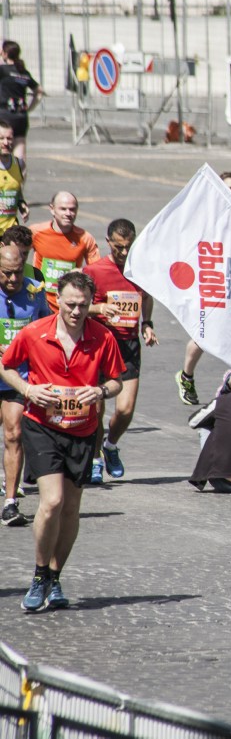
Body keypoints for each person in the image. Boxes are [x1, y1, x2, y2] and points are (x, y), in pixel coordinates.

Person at [1, 271, 124, 612]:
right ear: (58, 299)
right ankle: (40, 573)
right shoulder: (35, 333)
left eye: (83, 305)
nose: (76, 311)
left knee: (71, 507)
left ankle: (55, 577)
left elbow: (116, 381)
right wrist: (27, 389)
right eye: (70, 304)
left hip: (83, 430)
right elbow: (6, 365)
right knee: (52, 501)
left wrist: (99, 390)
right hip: (42, 425)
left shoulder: (102, 337)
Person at [84, 219, 158, 482]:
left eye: (128, 247)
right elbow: (78, 306)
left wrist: (147, 324)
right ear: (108, 243)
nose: (124, 253)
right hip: (100, 346)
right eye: (119, 247)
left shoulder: (140, 270)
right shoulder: (94, 271)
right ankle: (94, 460)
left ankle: (110, 446)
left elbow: (147, 297)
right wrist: (99, 309)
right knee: (96, 410)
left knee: (125, 410)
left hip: (128, 345)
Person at [176, 172, 231, 406]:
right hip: (210, 281)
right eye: (229, 188)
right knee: (205, 334)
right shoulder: (207, 217)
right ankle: (186, 375)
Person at [0, 244, 50, 526]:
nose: (12, 280)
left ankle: (10, 503)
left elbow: (45, 326)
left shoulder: (34, 290)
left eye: (17, 273)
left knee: (14, 433)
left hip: (18, 376)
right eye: (6, 274)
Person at [30, 192, 100, 311]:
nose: (68, 213)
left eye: (72, 209)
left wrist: (82, 271)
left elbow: (97, 271)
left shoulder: (85, 238)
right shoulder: (36, 232)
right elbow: (14, 253)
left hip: (69, 306)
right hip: (40, 303)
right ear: (52, 209)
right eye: (63, 209)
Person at [0, 41, 44, 163]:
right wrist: (30, 108)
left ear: (4, 53)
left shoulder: (3, 70)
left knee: (2, 146)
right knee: (20, 151)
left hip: (4, 115)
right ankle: (18, 180)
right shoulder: (23, 72)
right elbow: (39, 91)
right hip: (21, 116)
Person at [0, 120, 28, 232]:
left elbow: (16, 187)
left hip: (10, 230)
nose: (6, 142)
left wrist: (21, 203)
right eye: (1, 138)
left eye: (9, 138)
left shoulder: (18, 164)